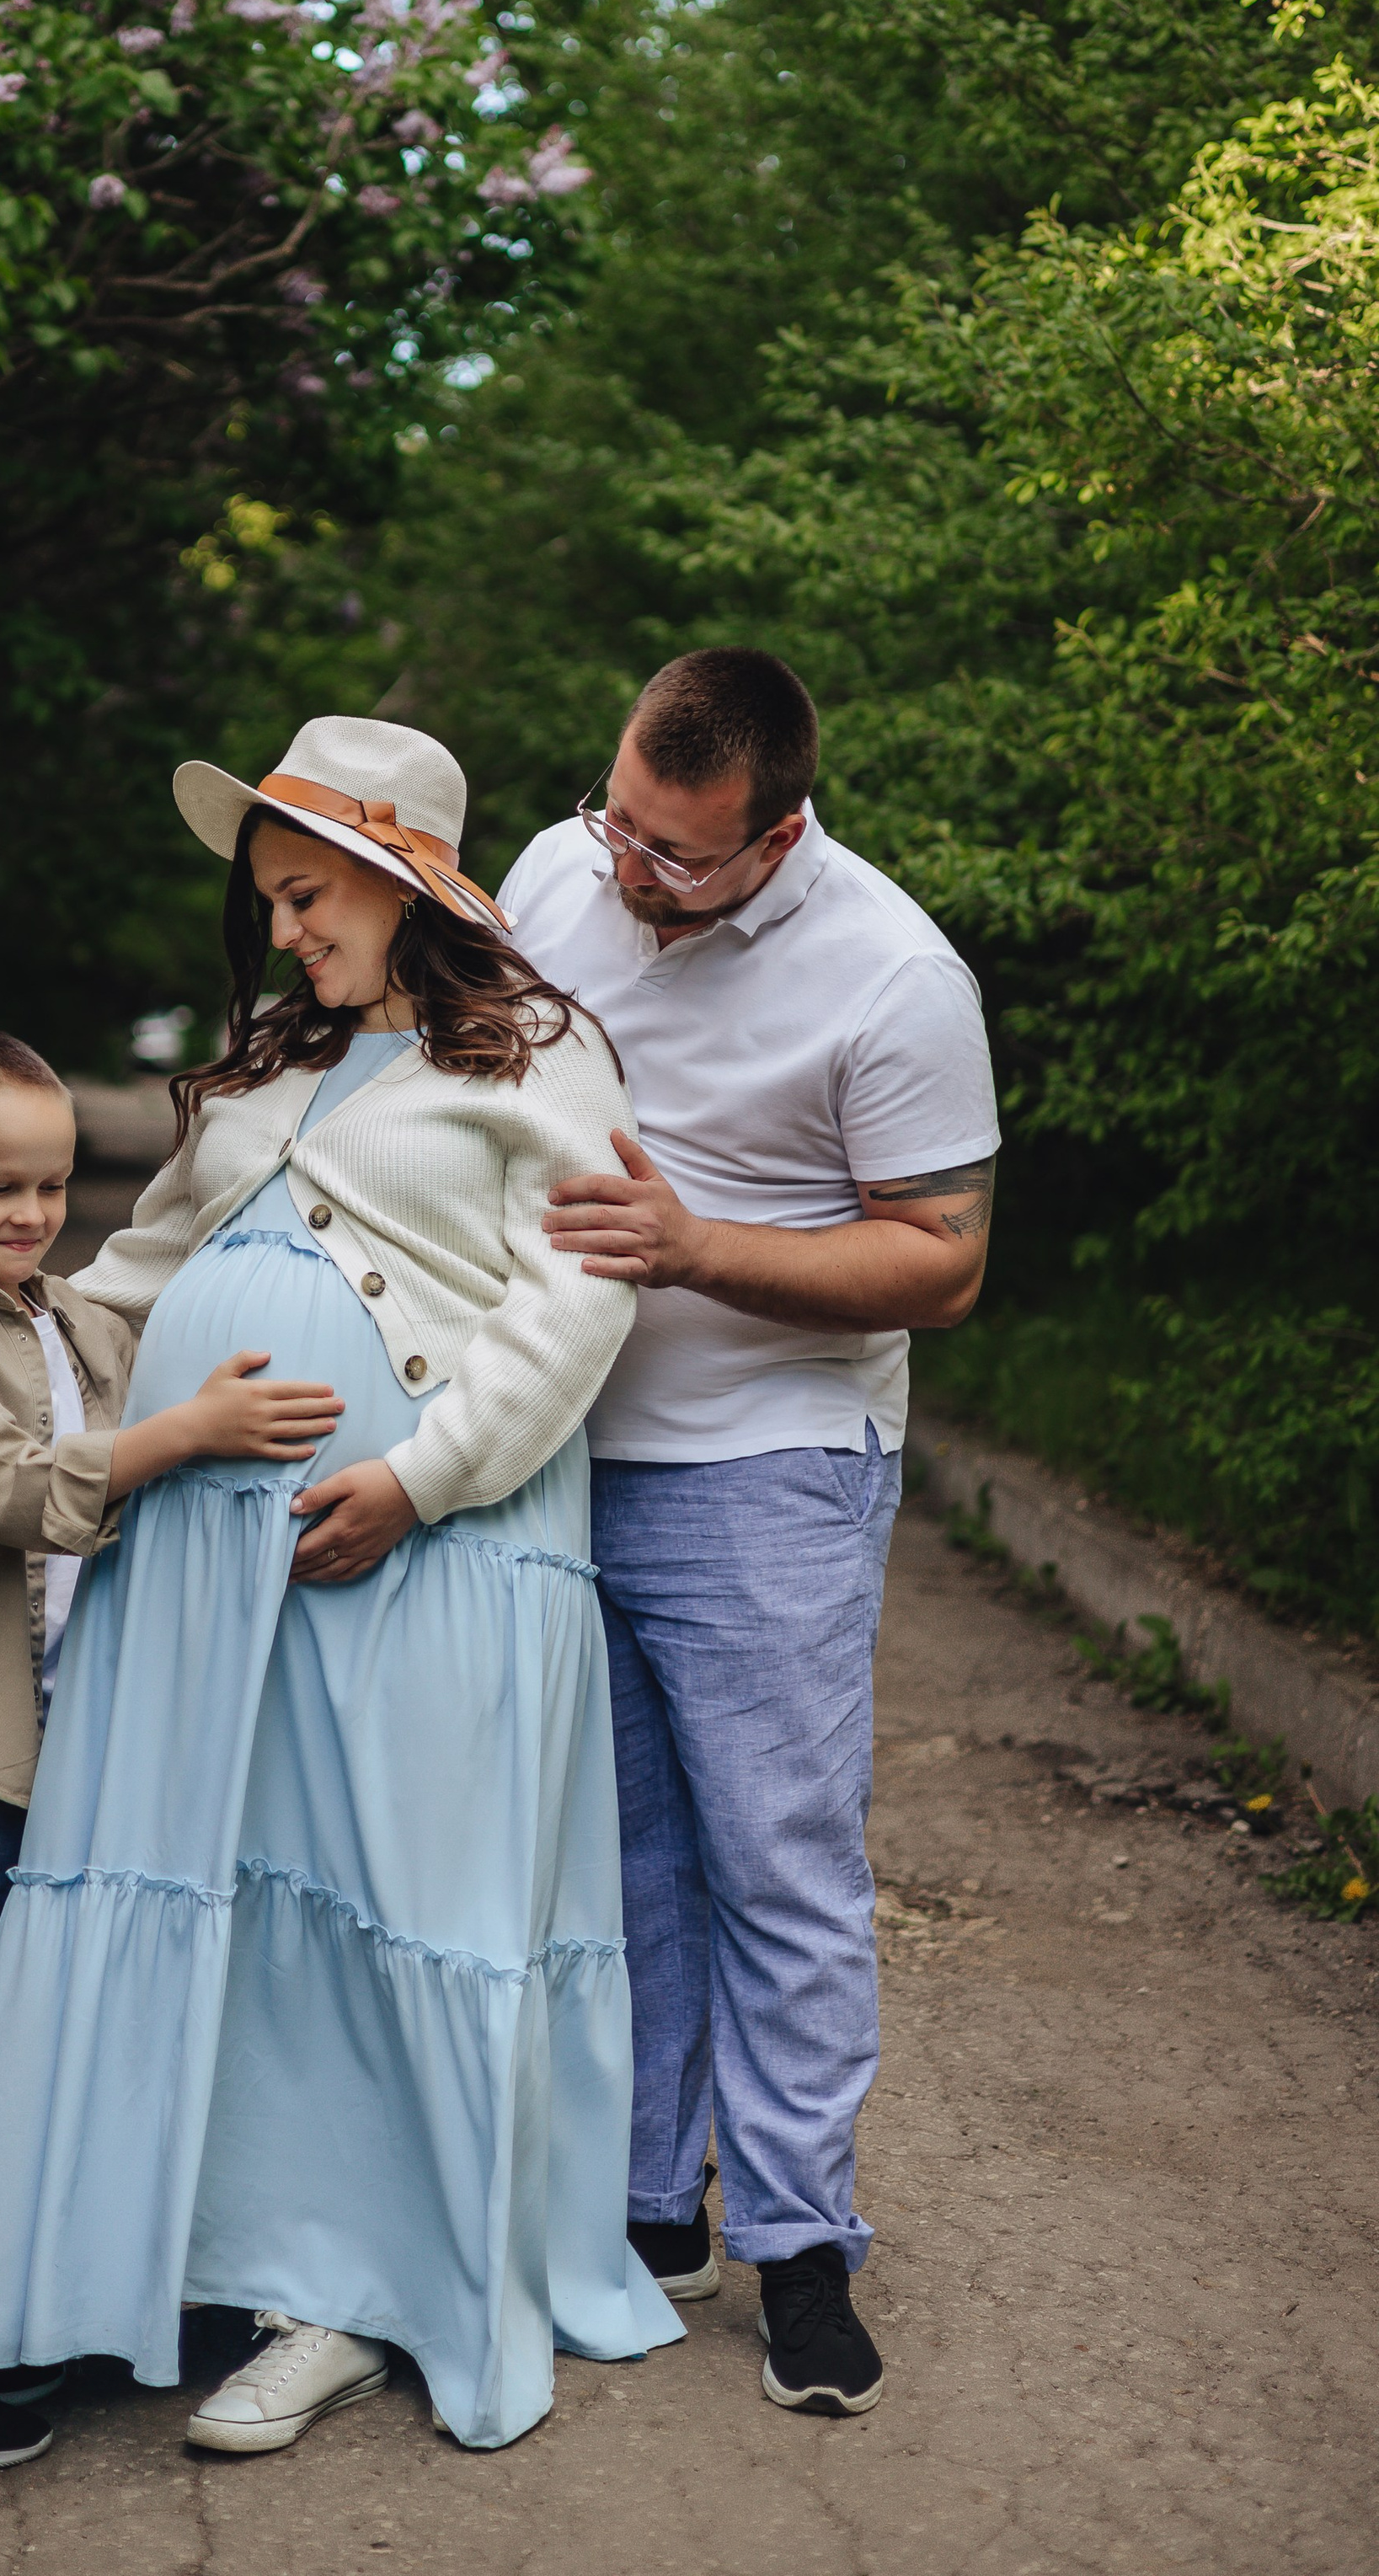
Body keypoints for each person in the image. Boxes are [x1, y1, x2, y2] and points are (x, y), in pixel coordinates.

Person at [0, 719, 681, 2453]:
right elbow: (131, 1275)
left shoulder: (537, 1057)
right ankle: (206, 2251)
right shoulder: (263, 1068)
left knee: (382, 1893)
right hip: (205, 1547)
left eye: (305, 895)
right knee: (236, 1897)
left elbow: (577, 1301)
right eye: (265, 902)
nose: (280, 932)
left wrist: (417, 1476)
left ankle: (347, 2290)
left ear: (403, 881)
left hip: (438, 1540)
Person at [500, 649, 999, 2421]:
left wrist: (697, 1247)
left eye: (674, 857)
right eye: (614, 822)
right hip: (555, 1449)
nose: (624, 874)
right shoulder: (565, 866)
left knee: (775, 1864)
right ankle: (653, 2208)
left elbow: (938, 1255)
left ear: (775, 831)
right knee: (616, 1855)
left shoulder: (891, 974)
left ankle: (800, 2249)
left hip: (769, 1461)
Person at [0, 1028, 348, 2470]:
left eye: (53, 1186)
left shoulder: (72, 1319)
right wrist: (183, 1436)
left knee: (26, 2049)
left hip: (55, 1752)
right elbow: (2, 1487)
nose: (34, 1215)